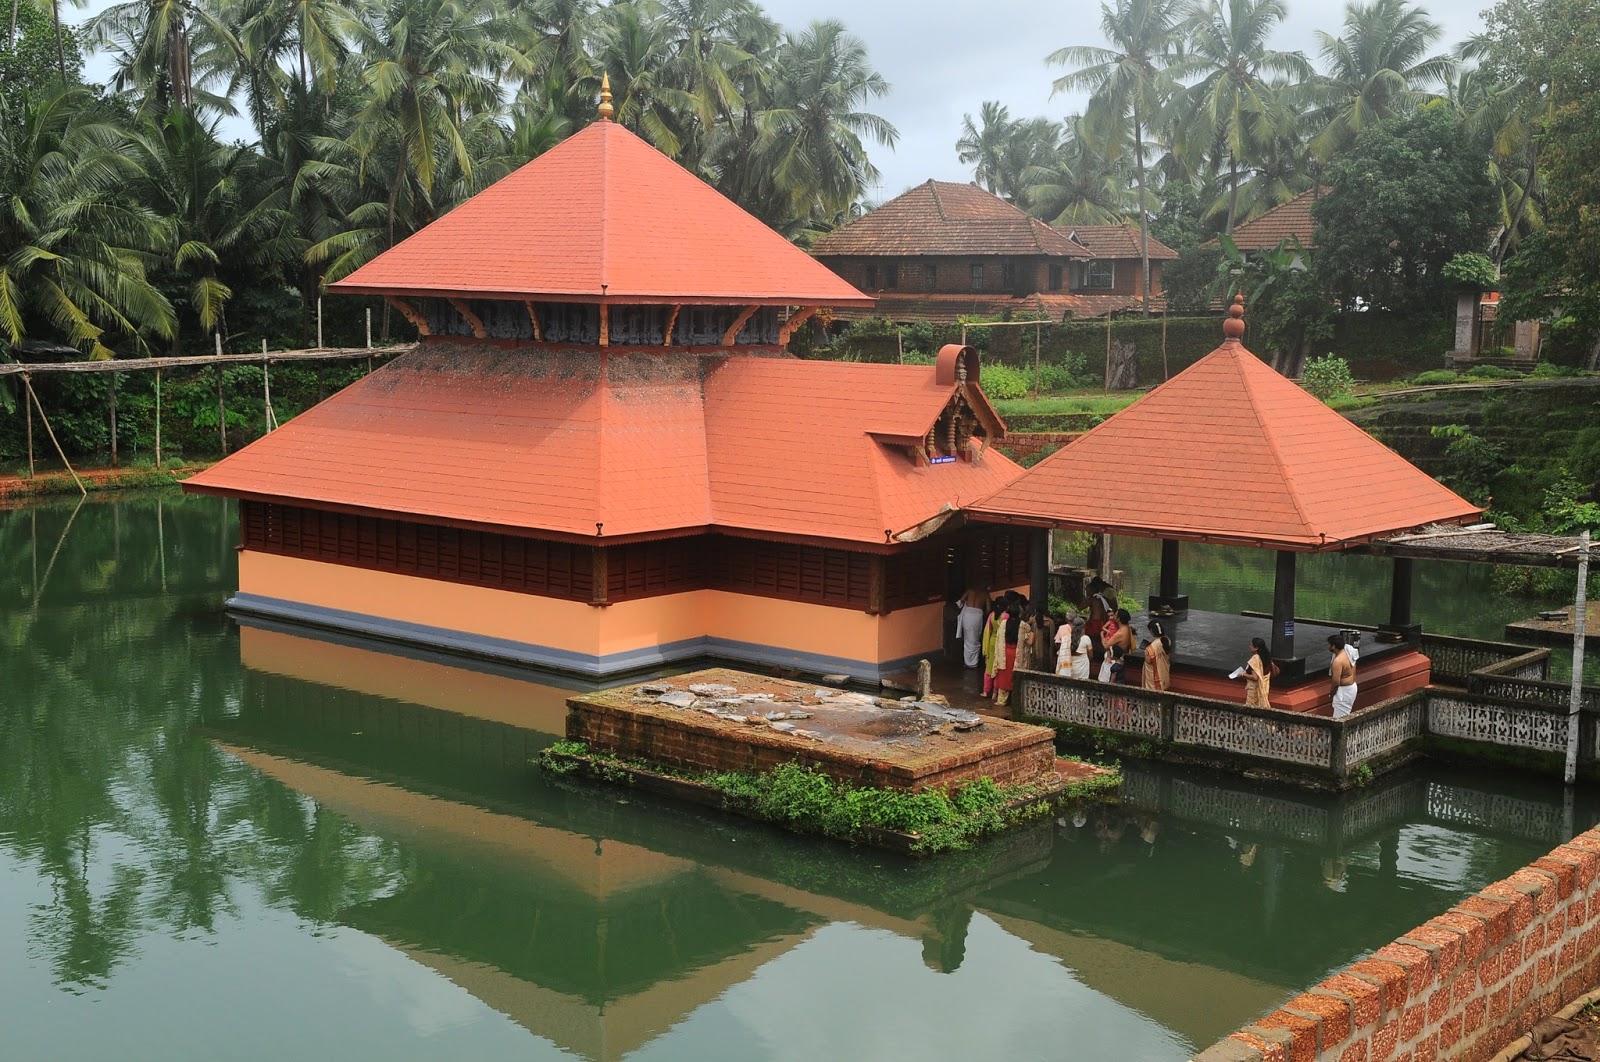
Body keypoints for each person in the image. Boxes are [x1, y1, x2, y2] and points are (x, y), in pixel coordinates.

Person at [994, 594, 1026, 706]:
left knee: (1004, 676)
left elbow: (998, 638)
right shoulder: (1023, 625)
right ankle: (1016, 701)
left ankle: (1001, 700)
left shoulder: (1003, 623)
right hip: (1017, 653)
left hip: (1004, 653)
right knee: (1015, 676)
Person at [1085, 577, 1116, 673]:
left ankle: (1092, 655)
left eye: (1087, 591)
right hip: (1101, 621)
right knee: (1099, 639)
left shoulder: (1093, 598)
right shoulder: (1101, 597)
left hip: (1095, 623)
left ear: (1090, 591)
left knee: (1092, 639)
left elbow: (1080, 607)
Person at [955, 588, 989, 669]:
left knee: (967, 639)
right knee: (975, 639)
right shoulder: (985, 594)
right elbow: (988, 609)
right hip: (978, 615)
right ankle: (974, 663)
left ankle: (968, 663)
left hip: (968, 615)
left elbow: (961, 601)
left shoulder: (969, 591)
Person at [1098, 608, 1134, 683]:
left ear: (1118, 619)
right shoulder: (1127, 627)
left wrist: (1102, 635)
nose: (1113, 616)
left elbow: (1106, 646)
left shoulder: (1119, 633)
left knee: (1107, 682)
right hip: (1120, 658)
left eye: (1115, 615)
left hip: (1113, 660)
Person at [1329, 633, 1358, 718]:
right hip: (1352, 687)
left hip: (1344, 692)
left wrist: (1331, 694)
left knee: (1339, 719)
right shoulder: (1349, 651)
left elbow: (1335, 683)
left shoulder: (1338, 661)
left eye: (1329, 645)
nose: (1328, 647)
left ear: (1333, 646)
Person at [1240, 637, 1274, 708]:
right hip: (1265, 686)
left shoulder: (1255, 660)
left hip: (1254, 689)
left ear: (1256, 648)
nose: (1250, 647)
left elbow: (1255, 677)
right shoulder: (1267, 656)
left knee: (1252, 707)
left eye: (1251, 645)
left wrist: (1243, 674)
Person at [981, 600, 1005, 697]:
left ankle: (986, 691)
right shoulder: (1005, 616)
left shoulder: (991, 615)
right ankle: (995, 693)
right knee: (998, 668)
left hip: (991, 642)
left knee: (989, 667)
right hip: (1001, 643)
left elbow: (987, 630)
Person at [1141, 620, 1172, 692]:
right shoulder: (1167, 640)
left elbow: (1148, 660)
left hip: (1155, 679)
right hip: (1164, 674)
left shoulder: (1152, 647)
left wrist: (1145, 652)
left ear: (1151, 631)